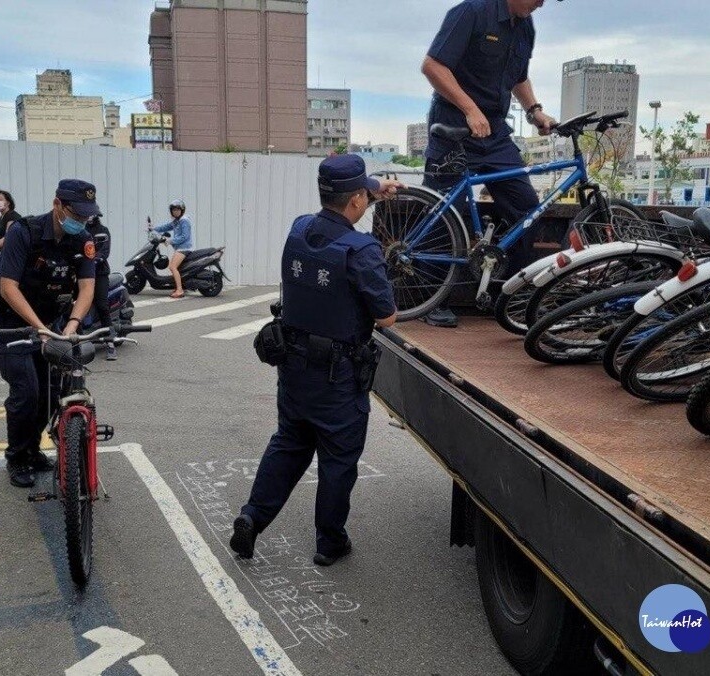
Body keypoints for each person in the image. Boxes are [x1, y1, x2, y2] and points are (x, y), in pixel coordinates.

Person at [231, 155, 401, 567]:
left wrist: (373, 189)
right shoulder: (362, 250)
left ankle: (252, 518)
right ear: (357, 199)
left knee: (289, 443)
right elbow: (387, 316)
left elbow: (343, 204)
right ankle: (329, 542)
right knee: (338, 460)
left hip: (292, 364)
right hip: (338, 375)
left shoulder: (299, 228)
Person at [420, 0, 559, 327]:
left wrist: (534, 109)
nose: (541, 3)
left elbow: (518, 76)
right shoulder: (470, 12)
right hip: (454, 124)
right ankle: (430, 298)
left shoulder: (525, 24)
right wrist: (469, 109)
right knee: (444, 211)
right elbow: (433, 66)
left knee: (528, 209)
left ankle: (505, 293)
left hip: (494, 132)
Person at [0, 179, 98, 487]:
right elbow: (7, 286)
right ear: (57, 205)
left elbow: (87, 287)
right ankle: (17, 457)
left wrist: (72, 324)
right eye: (76, 215)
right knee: (26, 392)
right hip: (12, 322)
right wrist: (39, 328)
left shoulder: (83, 240)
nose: (81, 222)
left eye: (86, 217)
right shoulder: (23, 232)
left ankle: (33, 448)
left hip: (51, 324)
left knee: (52, 391)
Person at [86, 215, 118, 361]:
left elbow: (104, 252)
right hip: (81, 273)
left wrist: (94, 259)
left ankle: (110, 342)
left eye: (91, 213)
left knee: (101, 305)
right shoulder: (78, 230)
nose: (88, 216)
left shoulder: (102, 231)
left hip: (99, 272)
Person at [152, 199, 193, 298]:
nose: (175, 211)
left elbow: (184, 236)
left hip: (184, 248)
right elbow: (165, 227)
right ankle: (181, 286)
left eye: (178, 209)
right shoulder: (176, 221)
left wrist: (170, 241)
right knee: (178, 268)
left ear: (182, 210)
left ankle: (179, 290)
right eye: (173, 210)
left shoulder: (184, 221)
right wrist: (152, 228)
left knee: (172, 267)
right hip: (180, 248)